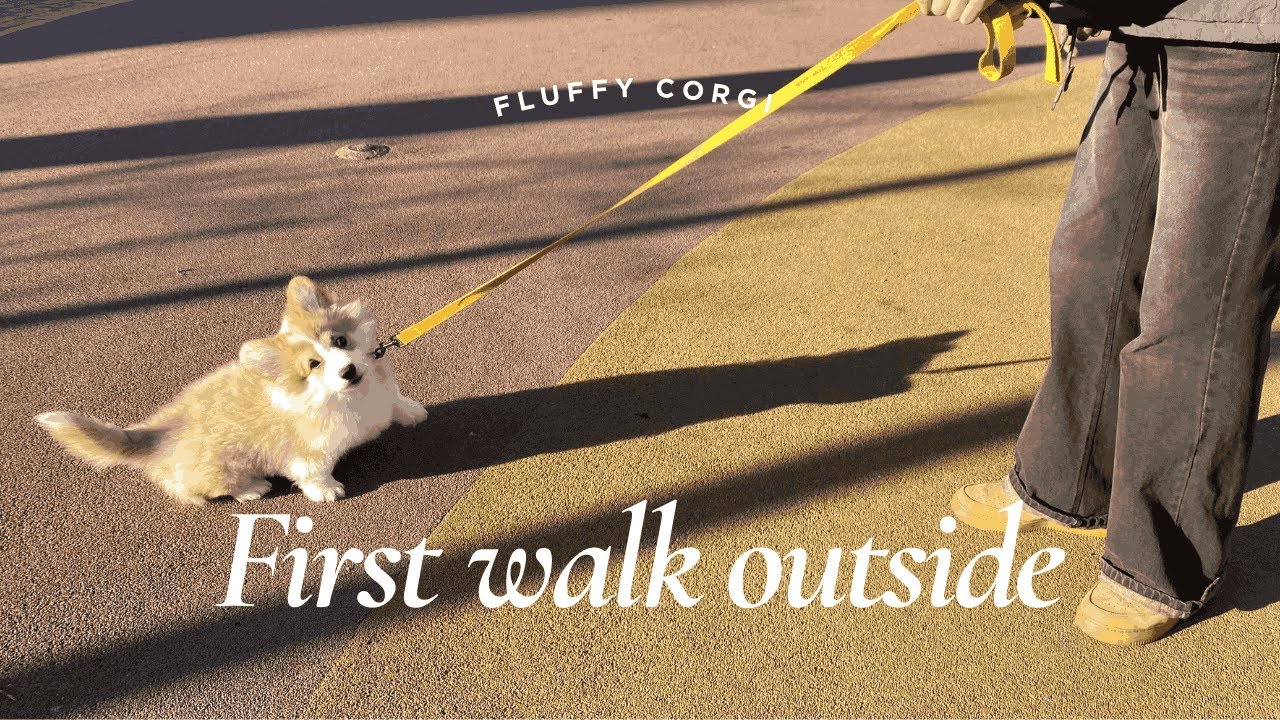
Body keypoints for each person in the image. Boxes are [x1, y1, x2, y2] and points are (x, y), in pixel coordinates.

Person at [920, 0, 1280, 645]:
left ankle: (1161, 559)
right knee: (1092, 263)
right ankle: (1068, 478)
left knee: (1197, 300)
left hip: (1249, 33)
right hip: (1143, 19)